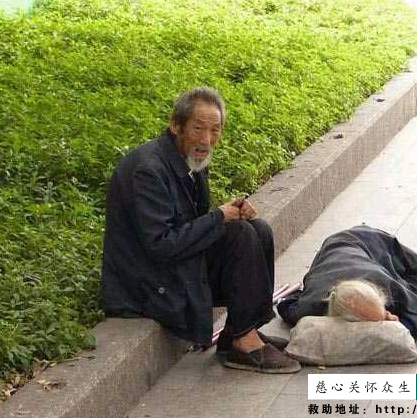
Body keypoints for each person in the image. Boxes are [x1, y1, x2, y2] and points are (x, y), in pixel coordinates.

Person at [101, 87, 300, 374]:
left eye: (214, 130)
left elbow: (189, 225)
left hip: (171, 265)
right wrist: (219, 218)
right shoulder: (148, 170)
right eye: (198, 128)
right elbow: (161, 245)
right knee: (239, 235)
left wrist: (230, 213)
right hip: (144, 285)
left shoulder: (189, 159)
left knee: (257, 229)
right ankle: (243, 341)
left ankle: (239, 331)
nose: (206, 140)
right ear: (175, 125)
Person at [277, 225, 417, 338]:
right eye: (384, 318)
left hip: (370, 242)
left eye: (385, 312)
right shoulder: (309, 308)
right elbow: (285, 303)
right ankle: (403, 281)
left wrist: (400, 325)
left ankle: (400, 274)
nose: (391, 317)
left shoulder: (386, 285)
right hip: (338, 258)